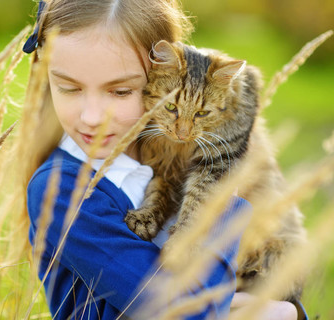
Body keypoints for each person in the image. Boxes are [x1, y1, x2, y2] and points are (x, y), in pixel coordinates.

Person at [19, 0, 305, 319]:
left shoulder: (186, 150)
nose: (92, 117)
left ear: (163, 76)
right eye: (69, 88)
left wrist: (286, 308)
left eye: (120, 92)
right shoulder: (62, 189)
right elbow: (187, 312)